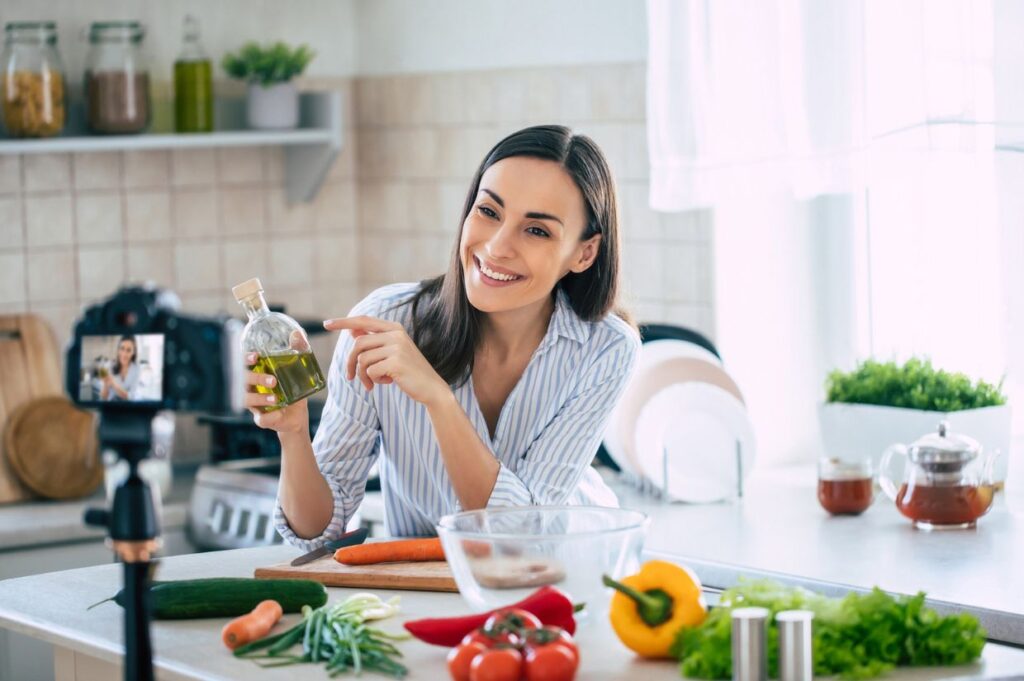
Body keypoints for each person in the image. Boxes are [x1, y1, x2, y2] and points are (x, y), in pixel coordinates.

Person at [247, 125, 640, 546]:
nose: (496, 247)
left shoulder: (606, 349)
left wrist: (439, 398)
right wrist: (293, 434)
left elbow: (517, 533)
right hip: (424, 593)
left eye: (537, 230)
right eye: (489, 212)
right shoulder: (382, 321)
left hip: (565, 577)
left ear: (584, 253)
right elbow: (315, 534)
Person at [102, 335, 140, 401]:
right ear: (118, 350)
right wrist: (105, 384)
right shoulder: (109, 366)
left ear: (133, 352)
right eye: (122, 348)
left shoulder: (136, 369)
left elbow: (130, 396)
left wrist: (113, 384)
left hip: (128, 409)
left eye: (129, 350)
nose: (124, 354)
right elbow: (104, 397)